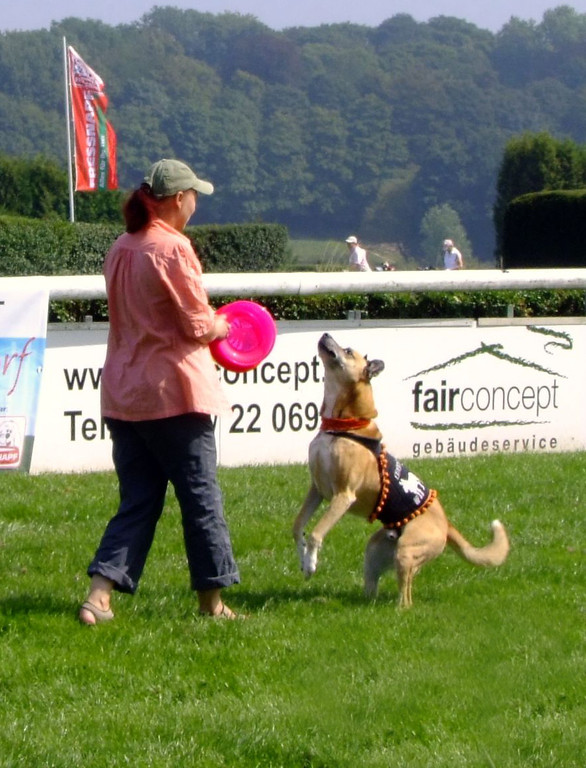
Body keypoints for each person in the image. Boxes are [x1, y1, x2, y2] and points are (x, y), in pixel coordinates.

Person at [79, 158, 241, 625]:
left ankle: (99, 595)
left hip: (123, 394)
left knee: (138, 500)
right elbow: (195, 325)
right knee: (201, 499)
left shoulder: (121, 247)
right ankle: (212, 604)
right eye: (194, 196)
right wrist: (224, 324)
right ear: (177, 199)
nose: (195, 204)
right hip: (174, 395)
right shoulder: (174, 248)